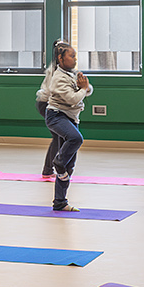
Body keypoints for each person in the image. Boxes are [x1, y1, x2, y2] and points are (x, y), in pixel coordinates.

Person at [35, 40, 92, 212]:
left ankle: (60, 202)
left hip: (70, 118)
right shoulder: (57, 77)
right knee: (75, 138)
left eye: (75, 56)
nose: (75, 59)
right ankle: (57, 161)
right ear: (60, 58)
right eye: (72, 56)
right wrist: (83, 89)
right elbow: (74, 98)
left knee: (70, 165)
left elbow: (89, 89)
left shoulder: (72, 73)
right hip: (56, 116)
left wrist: (85, 87)